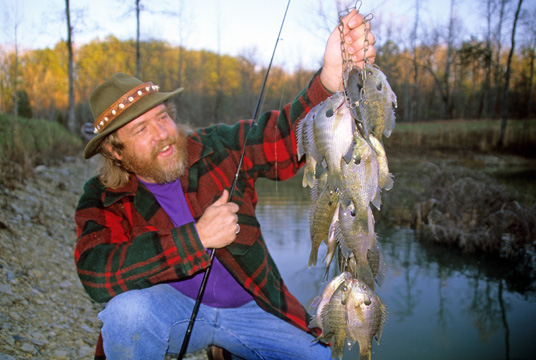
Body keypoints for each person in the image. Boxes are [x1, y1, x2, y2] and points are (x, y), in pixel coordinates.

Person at [74, 9, 376, 360]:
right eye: (141, 129)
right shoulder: (102, 196)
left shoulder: (216, 146)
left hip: (253, 307)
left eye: (162, 117)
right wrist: (196, 239)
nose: (162, 134)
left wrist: (330, 79)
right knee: (125, 315)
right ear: (115, 150)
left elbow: (281, 137)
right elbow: (96, 273)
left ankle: (226, 349)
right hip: (176, 310)